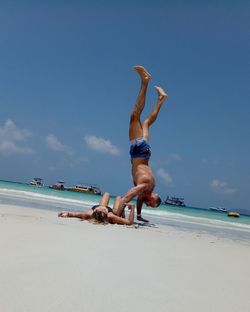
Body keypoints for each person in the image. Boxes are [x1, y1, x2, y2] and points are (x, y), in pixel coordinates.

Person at [117, 65, 168, 222]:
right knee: (135, 115)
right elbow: (132, 193)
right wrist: (120, 208)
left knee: (145, 123)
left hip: (144, 152)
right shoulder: (146, 186)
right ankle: (145, 81)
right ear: (153, 199)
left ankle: (161, 99)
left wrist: (138, 215)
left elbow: (139, 199)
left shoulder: (148, 189)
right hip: (139, 151)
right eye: (151, 205)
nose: (148, 204)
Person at [58, 192, 134, 225]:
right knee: (119, 198)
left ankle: (121, 211)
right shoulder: (111, 216)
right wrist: (133, 208)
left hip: (99, 209)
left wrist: (67, 213)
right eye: (104, 210)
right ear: (106, 214)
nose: (103, 208)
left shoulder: (89, 214)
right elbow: (129, 222)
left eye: (100, 209)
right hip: (113, 212)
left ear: (95, 210)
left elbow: (76, 214)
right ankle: (121, 212)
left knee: (106, 194)